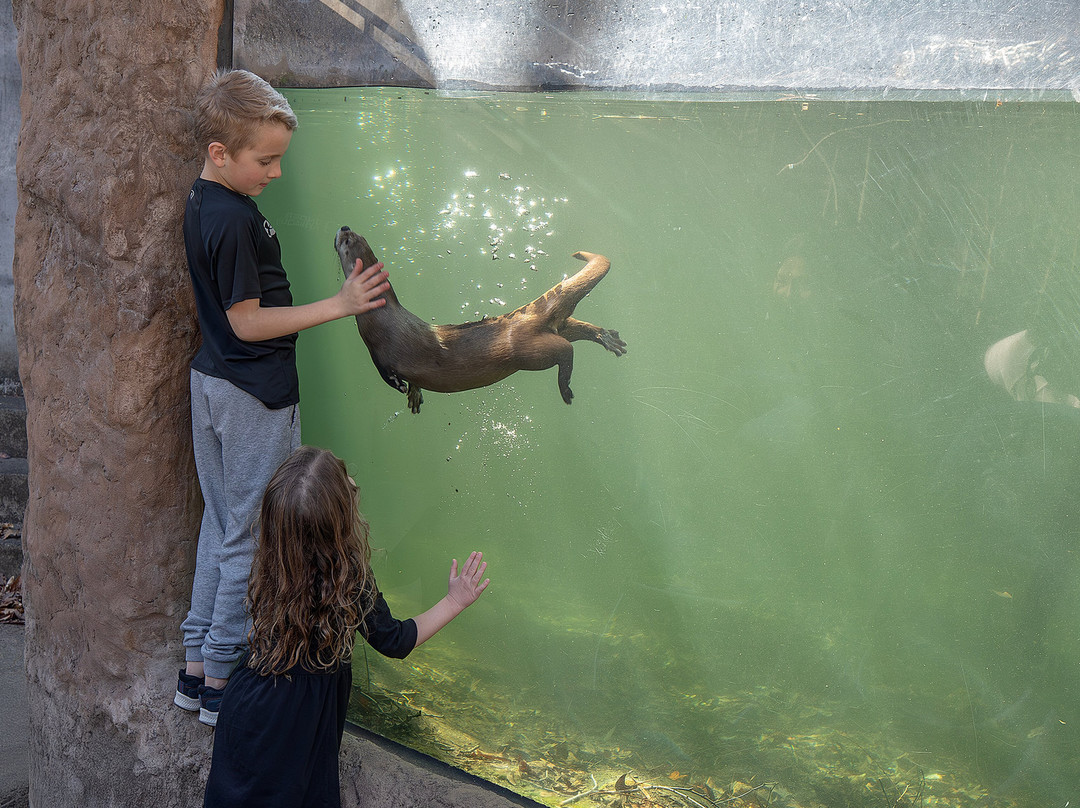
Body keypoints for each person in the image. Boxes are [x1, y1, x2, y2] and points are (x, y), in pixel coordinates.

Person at [175, 68, 391, 726]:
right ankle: (223, 680)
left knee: (221, 525)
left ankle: (194, 668)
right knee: (250, 535)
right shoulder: (233, 220)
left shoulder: (204, 201)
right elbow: (246, 321)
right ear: (220, 153)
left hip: (213, 382)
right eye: (265, 161)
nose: (275, 172)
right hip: (251, 394)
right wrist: (340, 304)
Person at [202, 446, 490, 807]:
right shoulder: (349, 578)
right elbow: (395, 640)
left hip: (247, 702)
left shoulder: (274, 559)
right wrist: (454, 601)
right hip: (296, 724)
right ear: (340, 516)